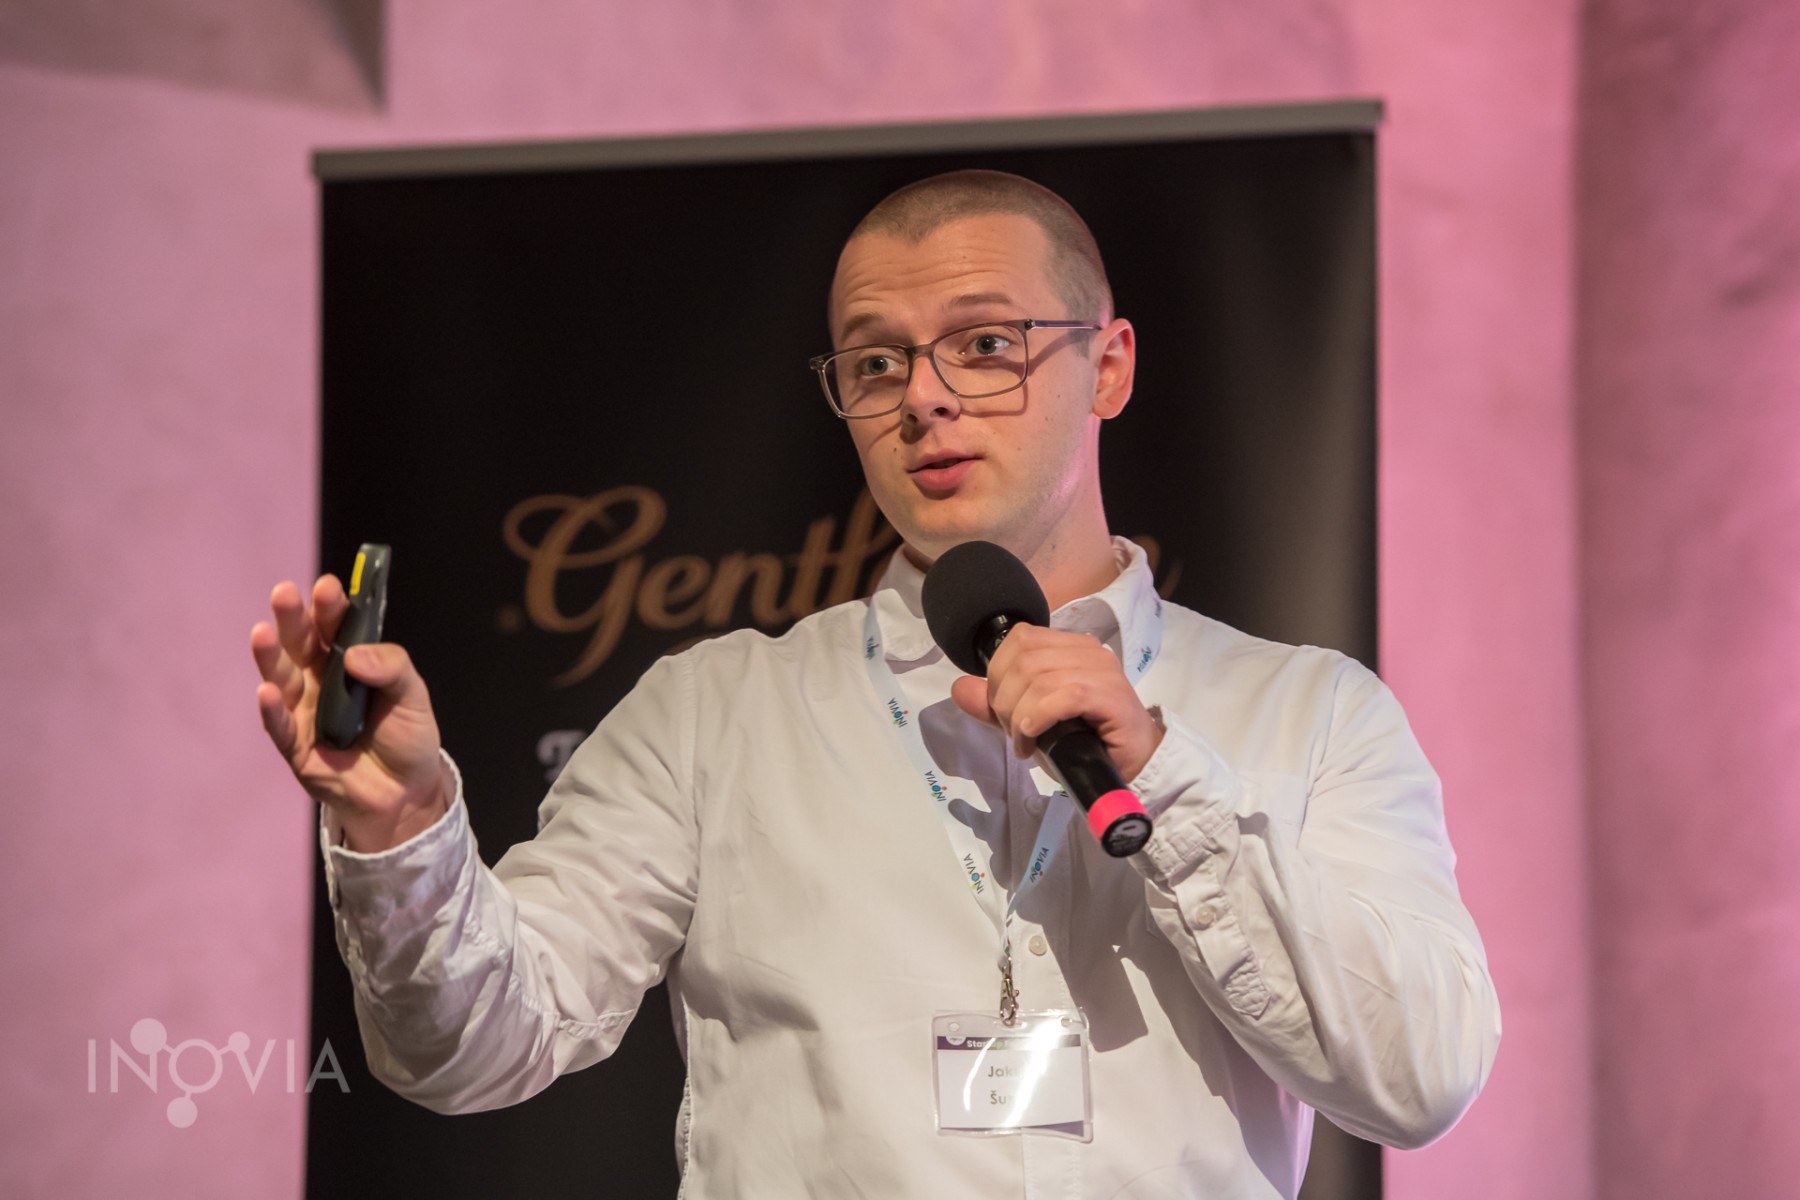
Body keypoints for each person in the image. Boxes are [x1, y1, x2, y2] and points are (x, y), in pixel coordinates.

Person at [252, 170, 1499, 1199]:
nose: (927, 399)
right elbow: (473, 1049)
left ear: (1110, 368)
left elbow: (1421, 1078)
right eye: (876, 363)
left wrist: (1166, 779)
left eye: (986, 345)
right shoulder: (714, 715)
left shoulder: (1312, 711)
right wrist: (401, 833)